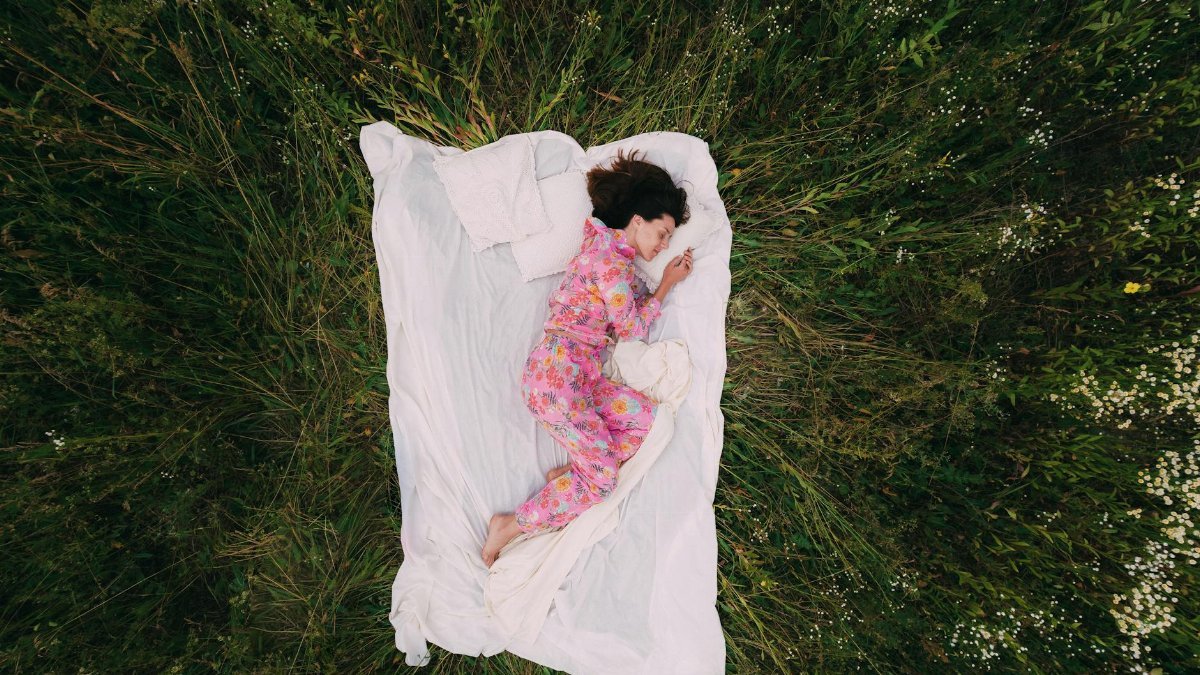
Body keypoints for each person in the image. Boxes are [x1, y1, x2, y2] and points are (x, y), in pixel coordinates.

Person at [482, 148, 695, 567]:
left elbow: (631, 320)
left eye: (669, 238)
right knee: (602, 484)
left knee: (648, 421)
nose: (665, 244)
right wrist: (668, 282)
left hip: (582, 379)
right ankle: (508, 525)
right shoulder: (607, 261)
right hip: (557, 381)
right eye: (662, 232)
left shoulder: (619, 264)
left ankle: (577, 473)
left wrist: (656, 286)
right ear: (637, 221)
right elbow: (633, 328)